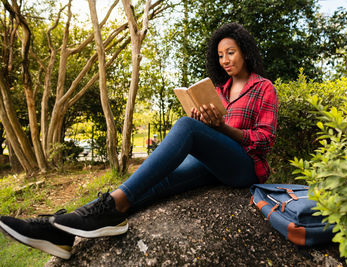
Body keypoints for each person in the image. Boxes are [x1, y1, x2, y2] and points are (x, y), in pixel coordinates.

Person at [0, 22, 278, 260]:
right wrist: (208, 124)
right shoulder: (219, 91)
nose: (225, 60)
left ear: (245, 51)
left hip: (245, 168)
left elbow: (264, 142)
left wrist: (220, 128)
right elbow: (215, 136)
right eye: (220, 55)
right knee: (159, 179)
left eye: (231, 52)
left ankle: (108, 208)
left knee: (186, 127)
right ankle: (60, 231)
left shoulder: (264, 88)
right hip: (214, 166)